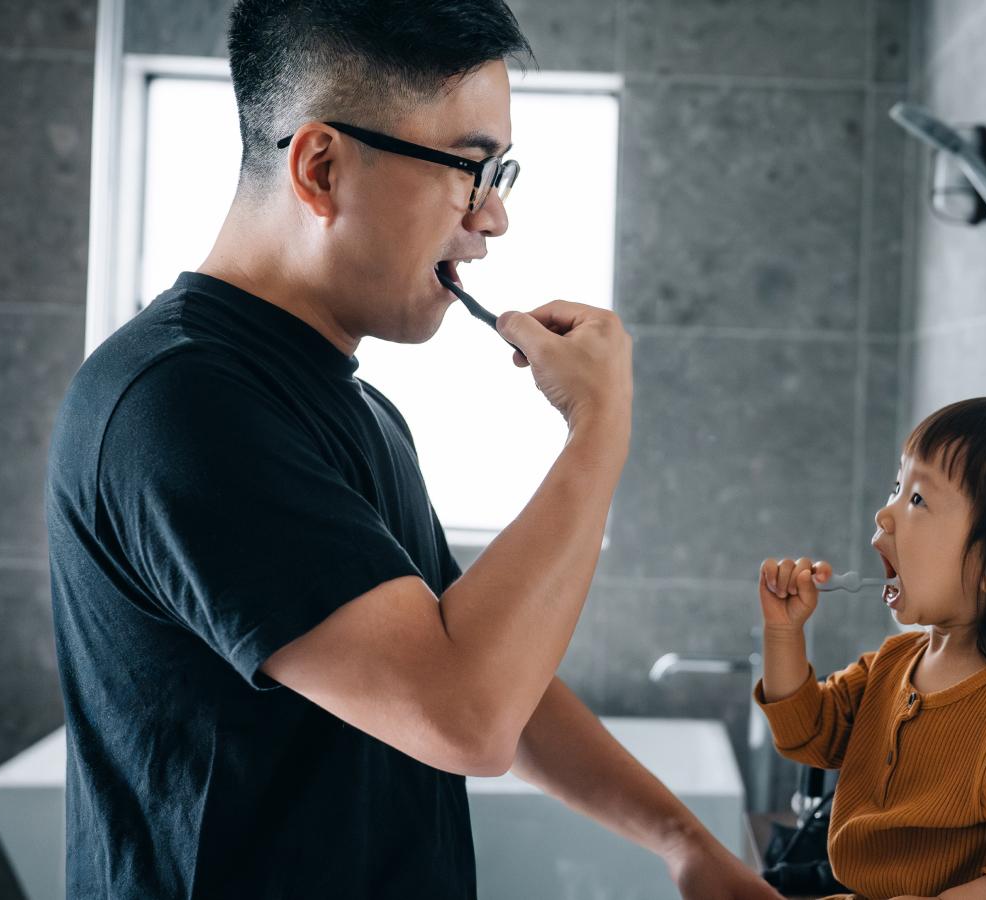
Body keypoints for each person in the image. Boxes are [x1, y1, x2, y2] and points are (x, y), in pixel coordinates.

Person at [45, 0, 777, 896]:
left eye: (501, 172)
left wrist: (681, 840)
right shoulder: (182, 405)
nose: (494, 217)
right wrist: (601, 427)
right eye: (471, 170)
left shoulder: (354, 409)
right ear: (321, 168)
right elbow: (466, 714)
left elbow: (486, 669)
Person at [754, 397, 986, 900]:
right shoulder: (890, 666)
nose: (885, 513)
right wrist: (783, 633)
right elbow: (808, 733)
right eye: (895, 487)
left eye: (918, 499)